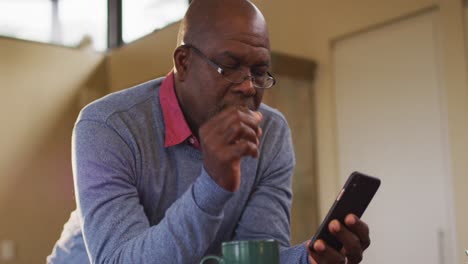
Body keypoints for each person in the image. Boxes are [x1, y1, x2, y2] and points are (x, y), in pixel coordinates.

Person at [47, 0, 371, 263]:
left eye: (259, 72)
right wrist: (213, 185)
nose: (247, 86)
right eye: (228, 66)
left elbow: (254, 254)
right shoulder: (109, 126)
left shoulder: (270, 132)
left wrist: (310, 258)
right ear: (184, 63)